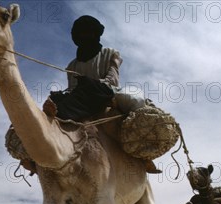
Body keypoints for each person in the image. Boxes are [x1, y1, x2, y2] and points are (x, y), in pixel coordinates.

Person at [44, 15, 161, 173]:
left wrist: (91, 83)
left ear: (95, 34)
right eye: (81, 34)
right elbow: (72, 89)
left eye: (88, 33)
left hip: (104, 93)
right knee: (55, 103)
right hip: (82, 98)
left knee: (133, 99)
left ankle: (144, 155)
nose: (85, 37)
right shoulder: (72, 65)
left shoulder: (110, 53)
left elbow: (112, 80)